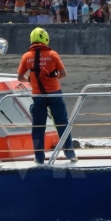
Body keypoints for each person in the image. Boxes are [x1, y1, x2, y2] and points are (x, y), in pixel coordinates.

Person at [17, 28, 77, 164]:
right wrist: (53, 76)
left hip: (38, 96)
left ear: (31, 40)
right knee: (62, 124)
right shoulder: (53, 54)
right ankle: (70, 154)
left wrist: (30, 80)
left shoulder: (26, 56)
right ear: (46, 39)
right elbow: (63, 74)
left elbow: (20, 77)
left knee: (38, 126)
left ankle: (39, 158)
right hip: (55, 94)